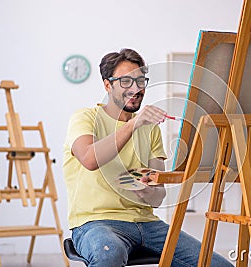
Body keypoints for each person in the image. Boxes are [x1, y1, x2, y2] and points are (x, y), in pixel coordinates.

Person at [63, 48, 233, 267]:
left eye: (140, 80)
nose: (136, 88)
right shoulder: (84, 118)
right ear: (107, 85)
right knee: (108, 254)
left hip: (148, 224)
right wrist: (134, 124)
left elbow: (158, 197)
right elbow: (89, 159)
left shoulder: (151, 130)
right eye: (126, 81)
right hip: (96, 223)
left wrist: (145, 189)